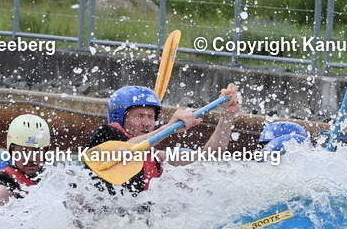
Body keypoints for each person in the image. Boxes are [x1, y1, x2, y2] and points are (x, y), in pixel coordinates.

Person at [85, 83, 242, 195]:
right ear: (120, 117)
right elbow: (125, 151)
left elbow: (208, 155)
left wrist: (227, 116)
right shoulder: (104, 136)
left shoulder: (156, 155)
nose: (147, 123)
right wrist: (168, 127)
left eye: (151, 117)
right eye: (140, 116)